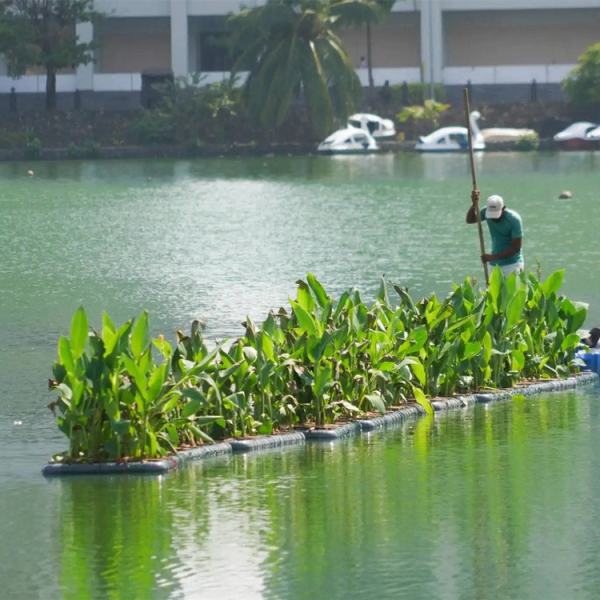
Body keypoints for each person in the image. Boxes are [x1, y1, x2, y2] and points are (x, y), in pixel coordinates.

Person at [466, 190, 524, 276]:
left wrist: (492, 257)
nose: (494, 219)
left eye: (496, 215)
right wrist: (474, 204)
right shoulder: (485, 212)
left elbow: (516, 248)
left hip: (512, 265)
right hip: (494, 265)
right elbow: (470, 220)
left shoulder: (514, 220)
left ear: (503, 208)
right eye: (491, 215)